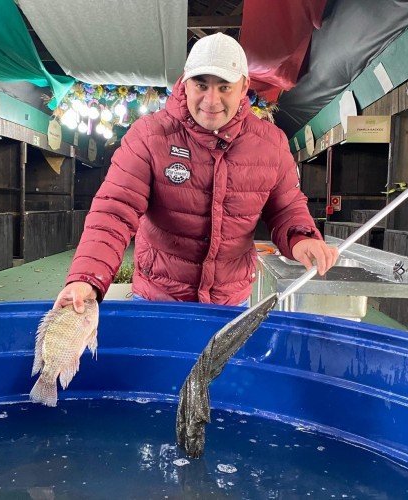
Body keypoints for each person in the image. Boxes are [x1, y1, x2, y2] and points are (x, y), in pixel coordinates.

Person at [55, 33, 338, 312]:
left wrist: (302, 239)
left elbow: (287, 208)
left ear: (244, 88)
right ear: (185, 83)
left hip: (230, 301)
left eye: (224, 87)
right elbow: (114, 210)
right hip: (158, 297)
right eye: (201, 85)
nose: (211, 100)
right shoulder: (149, 135)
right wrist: (86, 277)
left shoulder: (271, 144)